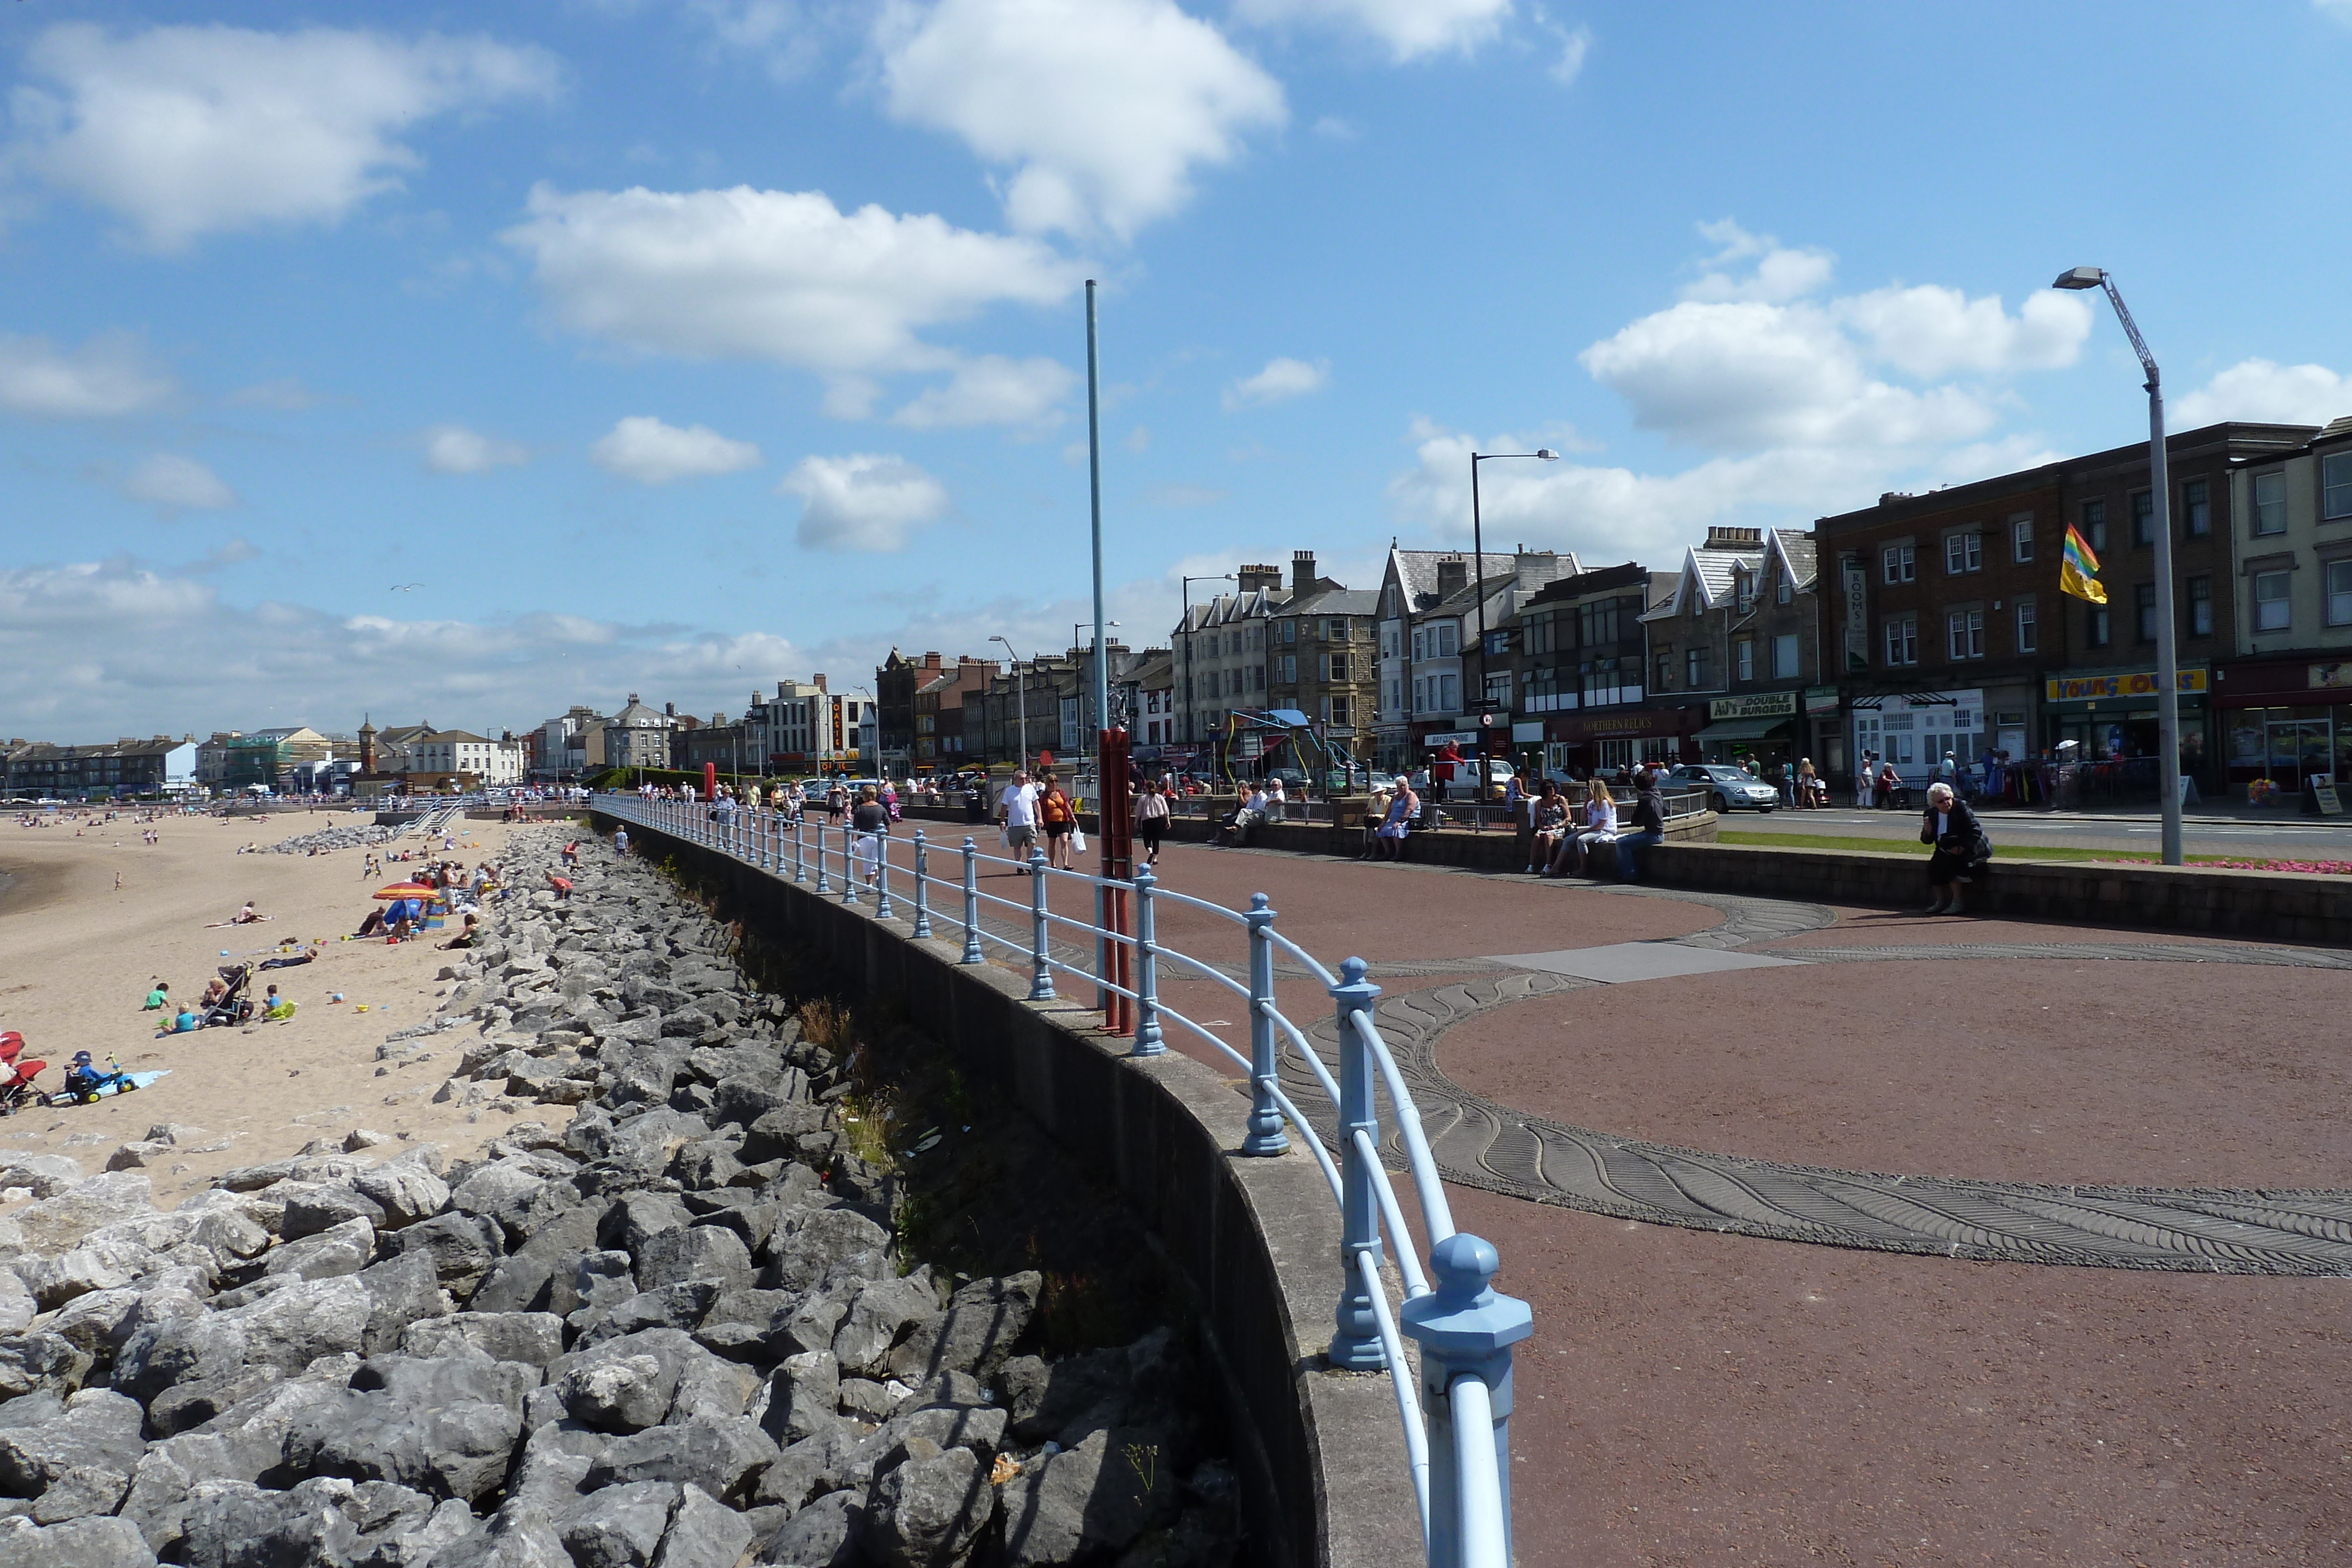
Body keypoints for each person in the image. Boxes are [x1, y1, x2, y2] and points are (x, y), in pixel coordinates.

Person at [1917, 780, 1991, 914]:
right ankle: (1940, 902)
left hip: (1970, 847)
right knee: (1933, 867)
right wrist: (1927, 832)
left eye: (1948, 798)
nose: (1946, 803)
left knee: (1951, 866)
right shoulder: (1931, 813)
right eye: (1941, 801)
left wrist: (1962, 847)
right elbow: (1926, 841)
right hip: (1945, 848)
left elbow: (1976, 831)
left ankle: (1957, 903)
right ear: (1934, 804)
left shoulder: (1961, 807)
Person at [1548, 778, 1618, 877]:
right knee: (1568, 840)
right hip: (1594, 829)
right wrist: (1586, 803)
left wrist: (1585, 831)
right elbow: (1583, 817)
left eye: (1589, 789)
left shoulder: (1605, 804)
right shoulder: (1592, 803)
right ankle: (1556, 867)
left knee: (1581, 840)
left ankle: (1583, 869)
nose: (1588, 791)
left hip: (1605, 830)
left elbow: (1601, 824)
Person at [1616, 768, 1668, 880]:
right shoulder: (1658, 795)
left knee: (1621, 844)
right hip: (1659, 832)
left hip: (1653, 835)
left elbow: (1636, 822)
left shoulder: (1645, 799)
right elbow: (1667, 811)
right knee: (1625, 841)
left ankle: (1629, 874)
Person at [998, 770, 1040, 870]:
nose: (1024, 780)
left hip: (1030, 823)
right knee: (1017, 847)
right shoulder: (1009, 791)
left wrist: (1040, 817)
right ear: (1015, 779)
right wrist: (1002, 821)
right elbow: (1004, 806)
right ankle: (1019, 865)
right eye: (1022, 779)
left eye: (1025, 778)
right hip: (1015, 824)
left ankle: (1029, 862)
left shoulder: (1030, 789)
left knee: (1032, 843)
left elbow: (1036, 803)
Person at [1368, 775, 1416, 860]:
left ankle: (1399, 853)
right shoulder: (1395, 796)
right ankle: (1388, 853)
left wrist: (1400, 821)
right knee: (1381, 830)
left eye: (1404, 785)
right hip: (1393, 820)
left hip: (1408, 819)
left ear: (1408, 785)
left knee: (1396, 829)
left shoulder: (1410, 795)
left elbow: (1410, 809)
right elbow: (1389, 810)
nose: (1402, 787)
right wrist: (1383, 822)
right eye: (1400, 786)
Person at [1037, 773, 1077, 869]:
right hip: (1051, 822)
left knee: (1064, 841)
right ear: (1048, 783)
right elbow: (1041, 808)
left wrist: (1073, 817)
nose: (1054, 783)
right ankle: (1053, 864)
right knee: (1052, 842)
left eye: (1056, 781)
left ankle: (1066, 864)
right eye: (1052, 781)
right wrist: (1040, 819)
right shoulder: (1044, 796)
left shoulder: (1061, 793)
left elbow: (1067, 805)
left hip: (1063, 821)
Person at [1528, 781, 1569, 873]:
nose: (1552, 790)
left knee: (1548, 836)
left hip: (1559, 827)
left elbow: (1568, 818)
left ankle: (1548, 864)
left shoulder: (1560, 799)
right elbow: (1538, 821)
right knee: (1537, 837)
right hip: (1545, 827)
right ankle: (1531, 865)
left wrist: (1557, 826)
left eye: (1553, 788)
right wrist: (1543, 827)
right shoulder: (1540, 803)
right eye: (1549, 788)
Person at [1134, 777, 1170, 867]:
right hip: (1159, 820)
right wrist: (1168, 821)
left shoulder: (1142, 798)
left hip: (1147, 820)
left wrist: (1136, 822)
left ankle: (1150, 852)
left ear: (1146, 788)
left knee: (1147, 839)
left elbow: (1138, 811)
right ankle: (1155, 859)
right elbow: (1166, 810)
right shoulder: (1160, 797)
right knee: (1156, 840)